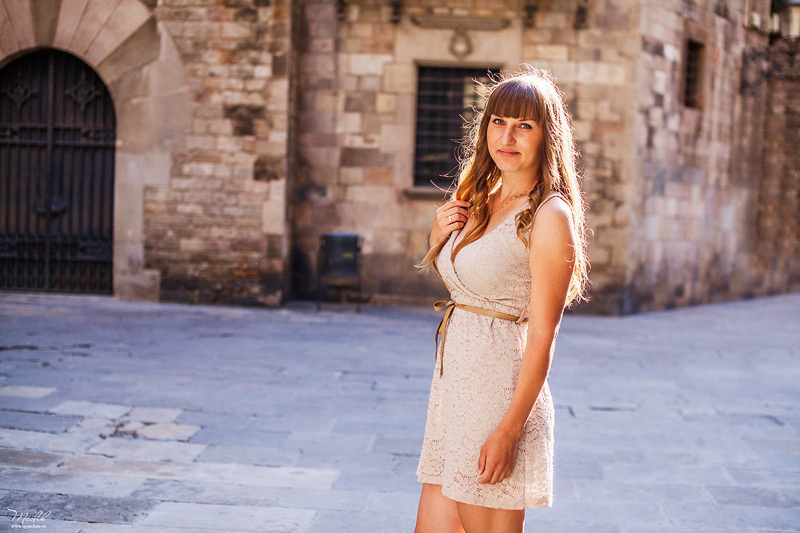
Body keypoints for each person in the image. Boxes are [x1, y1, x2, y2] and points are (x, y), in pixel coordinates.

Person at [414, 66, 589, 533]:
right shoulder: (480, 197)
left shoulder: (549, 215)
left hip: (498, 395)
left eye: (524, 125)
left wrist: (509, 430)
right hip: (454, 392)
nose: (507, 136)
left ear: (546, 136)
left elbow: (544, 334)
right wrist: (438, 237)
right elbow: (471, 287)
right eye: (498, 121)